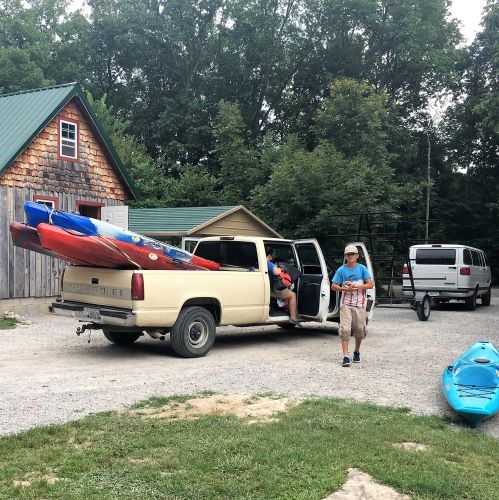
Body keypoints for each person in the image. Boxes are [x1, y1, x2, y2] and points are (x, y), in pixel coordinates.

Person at [331, 244, 373, 367]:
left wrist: (356, 286)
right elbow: (334, 286)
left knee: (359, 330)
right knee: (345, 329)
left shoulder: (362, 269)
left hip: (360, 304)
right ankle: (345, 356)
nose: (350, 256)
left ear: (357, 256)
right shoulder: (341, 270)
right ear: (345, 256)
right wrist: (345, 290)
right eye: (348, 254)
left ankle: (357, 351)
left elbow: (370, 284)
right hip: (345, 304)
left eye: (352, 254)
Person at [265, 247, 300, 325]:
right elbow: (277, 272)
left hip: (265, 288)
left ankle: (283, 309)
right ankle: (294, 318)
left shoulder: (257, 262)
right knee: (292, 295)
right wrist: (279, 268)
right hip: (270, 290)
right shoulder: (268, 263)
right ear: (270, 256)